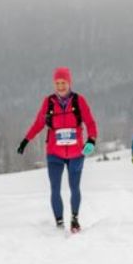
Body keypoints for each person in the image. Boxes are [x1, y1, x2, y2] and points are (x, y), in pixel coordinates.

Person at [18, 67, 98, 232]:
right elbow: (38, 123)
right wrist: (26, 140)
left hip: (76, 153)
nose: (60, 86)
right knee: (55, 188)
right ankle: (59, 222)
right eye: (57, 83)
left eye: (63, 82)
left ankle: (74, 219)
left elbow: (90, 122)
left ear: (69, 83)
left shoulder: (79, 101)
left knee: (74, 187)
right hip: (54, 153)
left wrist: (91, 140)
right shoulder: (48, 102)